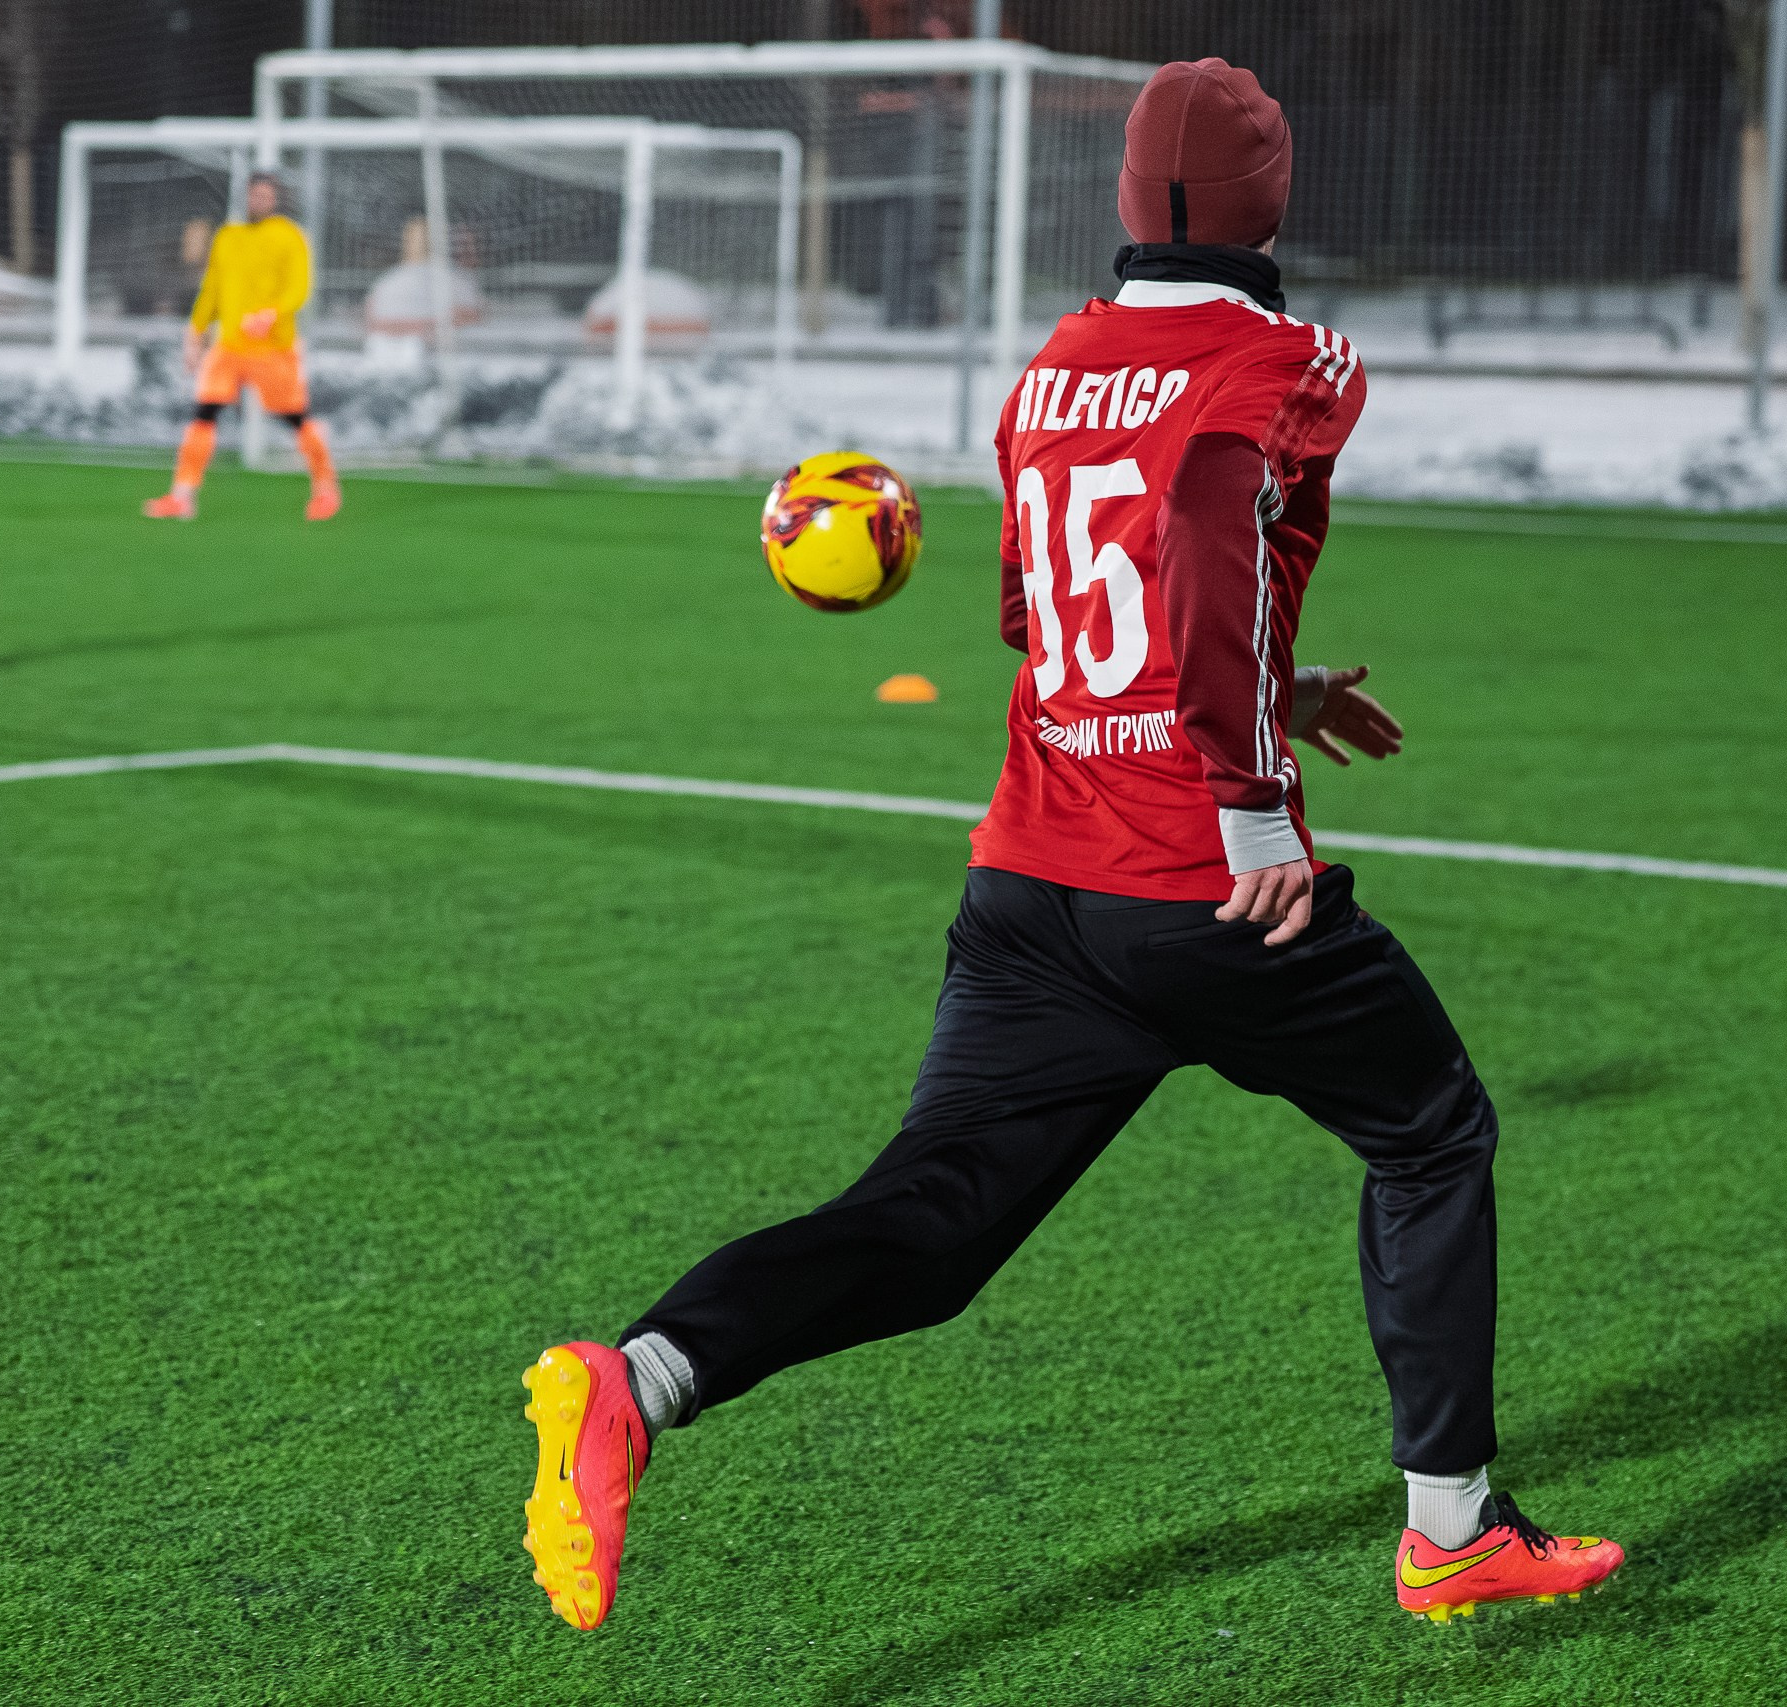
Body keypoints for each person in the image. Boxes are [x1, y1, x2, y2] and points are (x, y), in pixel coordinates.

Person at [517, 58, 1625, 1632]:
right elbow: (1199, 529)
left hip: (1036, 881)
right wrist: (1251, 787)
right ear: (1268, 199)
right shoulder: (1289, 356)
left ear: (1127, 203)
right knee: (1432, 1130)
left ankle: (636, 1378)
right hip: (1207, 887)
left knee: (933, 1219)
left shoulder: (1051, 368)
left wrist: (1271, 678)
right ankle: (1451, 1528)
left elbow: (1041, 618)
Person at [143, 172, 339, 522]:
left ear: (277, 200)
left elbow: (299, 288)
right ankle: (182, 496)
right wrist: (196, 330)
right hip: (229, 346)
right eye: (253, 195)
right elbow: (212, 289)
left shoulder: (289, 236)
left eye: (265, 195)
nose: (258, 201)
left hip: (272, 348)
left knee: (296, 418)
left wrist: (272, 313)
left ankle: (325, 488)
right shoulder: (228, 236)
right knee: (204, 415)